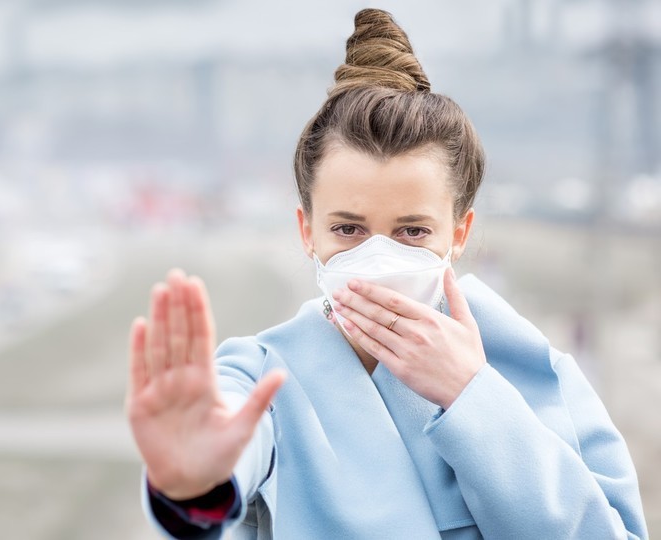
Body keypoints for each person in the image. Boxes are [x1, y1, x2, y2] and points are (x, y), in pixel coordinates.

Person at [124, 8, 648, 540]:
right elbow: (228, 436)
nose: (377, 259)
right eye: (349, 230)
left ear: (459, 233)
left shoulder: (537, 371)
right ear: (307, 231)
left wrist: (472, 397)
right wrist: (194, 487)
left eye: (412, 232)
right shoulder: (262, 375)